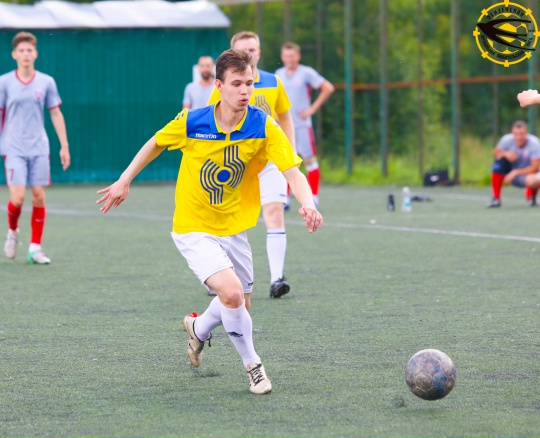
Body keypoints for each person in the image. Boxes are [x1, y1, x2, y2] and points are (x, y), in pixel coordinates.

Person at [96, 49, 323, 395]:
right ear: (219, 86)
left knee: (241, 303)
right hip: (193, 226)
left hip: (234, 227)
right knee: (231, 294)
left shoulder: (263, 125)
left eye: (249, 83)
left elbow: (293, 171)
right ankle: (254, 367)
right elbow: (156, 142)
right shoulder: (193, 121)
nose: (245, 90)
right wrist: (124, 180)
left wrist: (307, 203)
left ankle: (198, 329)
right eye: (237, 84)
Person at [209, 31, 296, 299]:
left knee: (275, 212)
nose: (249, 54)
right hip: (237, 163)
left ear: (259, 52)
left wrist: (290, 153)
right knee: (230, 221)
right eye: (243, 50)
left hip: (268, 160)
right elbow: (213, 122)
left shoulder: (273, 81)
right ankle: (220, 278)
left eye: (253, 49)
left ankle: (277, 279)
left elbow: (285, 117)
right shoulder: (223, 87)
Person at [1, 32, 70, 264]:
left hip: (39, 148)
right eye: (21, 50)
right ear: (14, 55)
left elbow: (55, 113)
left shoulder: (46, 82)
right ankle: (13, 231)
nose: (26, 54)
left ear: (36, 54)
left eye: (29, 50)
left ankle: (35, 249)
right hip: (13, 148)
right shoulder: (4, 82)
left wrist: (64, 145)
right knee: (18, 198)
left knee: (39, 197)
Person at [276, 42, 335, 208]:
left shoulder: (306, 72)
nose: (289, 58)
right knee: (285, 161)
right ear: (282, 57)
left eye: (292, 55)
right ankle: (285, 198)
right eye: (286, 56)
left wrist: (312, 109)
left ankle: (313, 196)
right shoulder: (278, 74)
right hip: (283, 126)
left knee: (309, 160)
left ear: (298, 56)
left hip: (302, 125)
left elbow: (328, 88)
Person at [486, 119, 540, 208]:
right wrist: (505, 153)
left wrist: (515, 172)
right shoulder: (506, 139)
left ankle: (532, 196)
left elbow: (535, 167)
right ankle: (496, 198)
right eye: (516, 134)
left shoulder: (534, 143)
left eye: (521, 134)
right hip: (509, 173)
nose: (519, 137)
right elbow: (495, 153)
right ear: (512, 133)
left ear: (527, 133)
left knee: (534, 179)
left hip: (526, 174)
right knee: (499, 161)